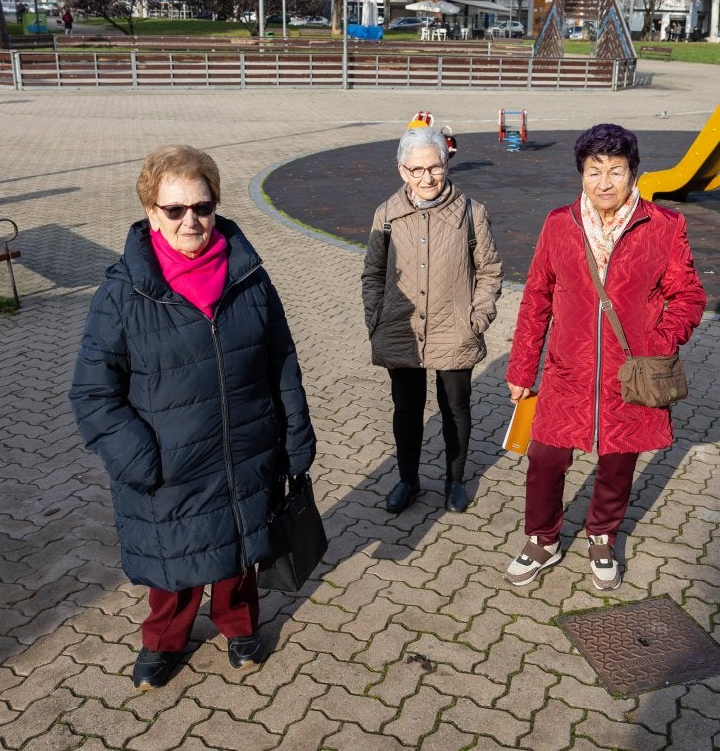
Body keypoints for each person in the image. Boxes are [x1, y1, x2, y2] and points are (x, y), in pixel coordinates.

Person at [70, 144, 317, 689]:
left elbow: (281, 360)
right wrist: (140, 460)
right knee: (175, 562)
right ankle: (165, 640)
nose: (191, 221)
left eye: (201, 207)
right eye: (174, 209)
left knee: (240, 551)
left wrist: (296, 436)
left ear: (216, 205)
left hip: (247, 450)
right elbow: (92, 392)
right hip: (170, 463)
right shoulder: (121, 294)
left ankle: (239, 626)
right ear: (151, 213)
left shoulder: (248, 275)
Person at [504, 124, 706, 591]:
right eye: (594, 171)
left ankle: (602, 535)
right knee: (546, 459)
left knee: (618, 464)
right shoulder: (559, 223)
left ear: (634, 174)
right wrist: (521, 369)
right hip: (566, 372)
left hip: (630, 376)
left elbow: (689, 296)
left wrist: (658, 342)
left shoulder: (663, 227)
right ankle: (542, 538)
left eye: (616, 171)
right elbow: (536, 298)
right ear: (581, 174)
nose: (605, 183)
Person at [362, 123, 503, 514]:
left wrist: (477, 317)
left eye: (435, 167)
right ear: (403, 171)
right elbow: (372, 272)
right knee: (406, 408)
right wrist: (376, 316)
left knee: (456, 408)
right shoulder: (386, 215)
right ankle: (408, 479)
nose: (427, 178)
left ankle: (455, 480)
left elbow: (489, 271)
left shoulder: (472, 213)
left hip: (455, 329)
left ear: (446, 164)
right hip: (401, 330)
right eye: (417, 170)